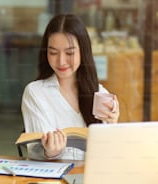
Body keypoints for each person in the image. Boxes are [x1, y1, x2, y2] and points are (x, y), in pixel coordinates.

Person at [21, 13, 120, 161]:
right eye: (53, 52)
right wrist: (50, 152)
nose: (61, 61)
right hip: (53, 180)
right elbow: (35, 153)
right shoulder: (36, 93)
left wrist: (112, 125)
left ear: (83, 52)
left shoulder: (100, 94)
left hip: (91, 180)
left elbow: (109, 156)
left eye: (70, 53)